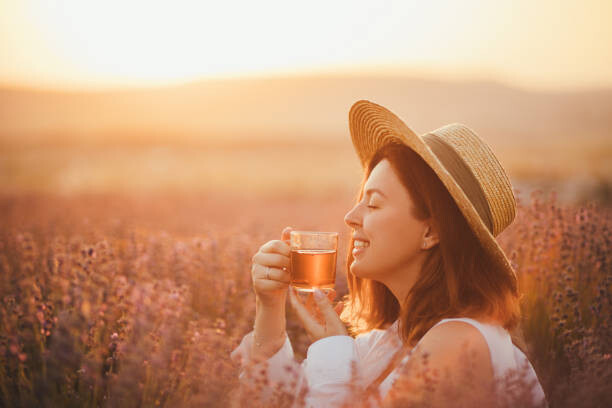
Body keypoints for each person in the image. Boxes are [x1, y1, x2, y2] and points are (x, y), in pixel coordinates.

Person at [230, 100, 547, 407]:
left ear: (431, 232)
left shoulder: (458, 344)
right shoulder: (391, 341)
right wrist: (270, 310)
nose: (351, 217)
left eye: (374, 203)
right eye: (360, 200)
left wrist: (333, 347)